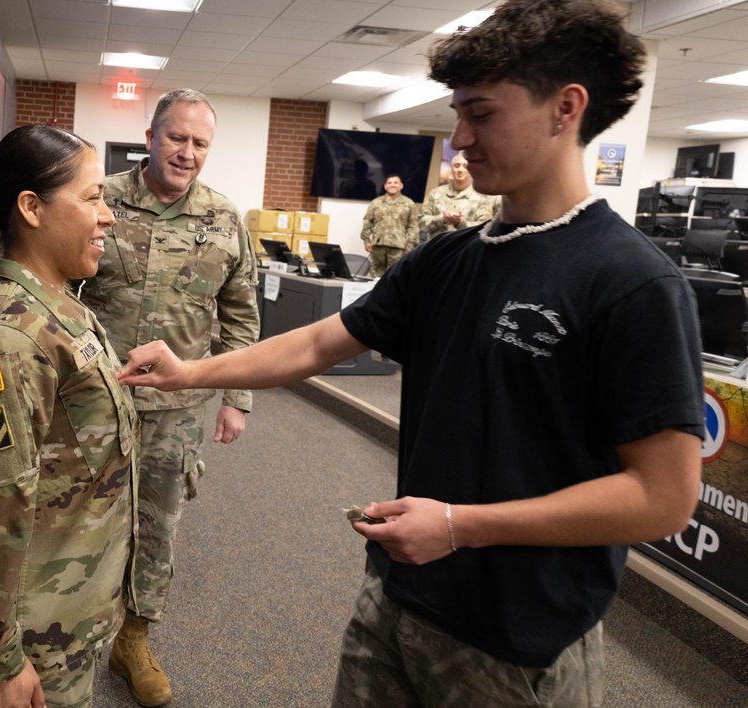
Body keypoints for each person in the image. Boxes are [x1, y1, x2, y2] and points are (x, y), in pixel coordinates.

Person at [115, 1, 704, 705]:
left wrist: (461, 526)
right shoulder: (447, 259)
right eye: (457, 114)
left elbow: (665, 498)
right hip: (398, 598)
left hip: (518, 643)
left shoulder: (632, 283)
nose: (458, 140)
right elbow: (316, 342)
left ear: (565, 109)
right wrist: (191, 374)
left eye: (481, 114)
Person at [0, 124, 138, 708]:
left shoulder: (63, 308)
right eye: (92, 197)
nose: (109, 217)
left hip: (67, 619)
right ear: (31, 208)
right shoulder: (3, 341)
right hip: (28, 646)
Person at [77, 88, 260, 706]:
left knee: (157, 528)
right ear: (150, 136)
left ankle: (132, 642)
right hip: (91, 399)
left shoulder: (225, 218)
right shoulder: (97, 197)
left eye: (200, 143)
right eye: (176, 138)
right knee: (75, 517)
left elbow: (240, 316)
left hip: (176, 412)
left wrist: (236, 395)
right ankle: (63, 634)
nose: (186, 152)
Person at [418, 151, 500, 240]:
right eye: (457, 165)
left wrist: (460, 222)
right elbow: (421, 222)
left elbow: (486, 227)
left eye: (465, 166)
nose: (460, 170)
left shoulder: (483, 196)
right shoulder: (436, 193)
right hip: (437, 250)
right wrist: (442, 219)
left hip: (466, 251)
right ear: (451, 169)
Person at [360, 173, 420, 278]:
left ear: (401, 185)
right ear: (385, 186)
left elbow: (413, 226)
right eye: (389, 183)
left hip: (398, 248)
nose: (392, 185)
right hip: (378, 247)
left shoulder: (409, 204)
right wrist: (366, 240)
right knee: (375, 278)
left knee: (394, 277)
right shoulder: (376, 203)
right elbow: (367, 221)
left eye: (396, 183)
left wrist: (410, 245)